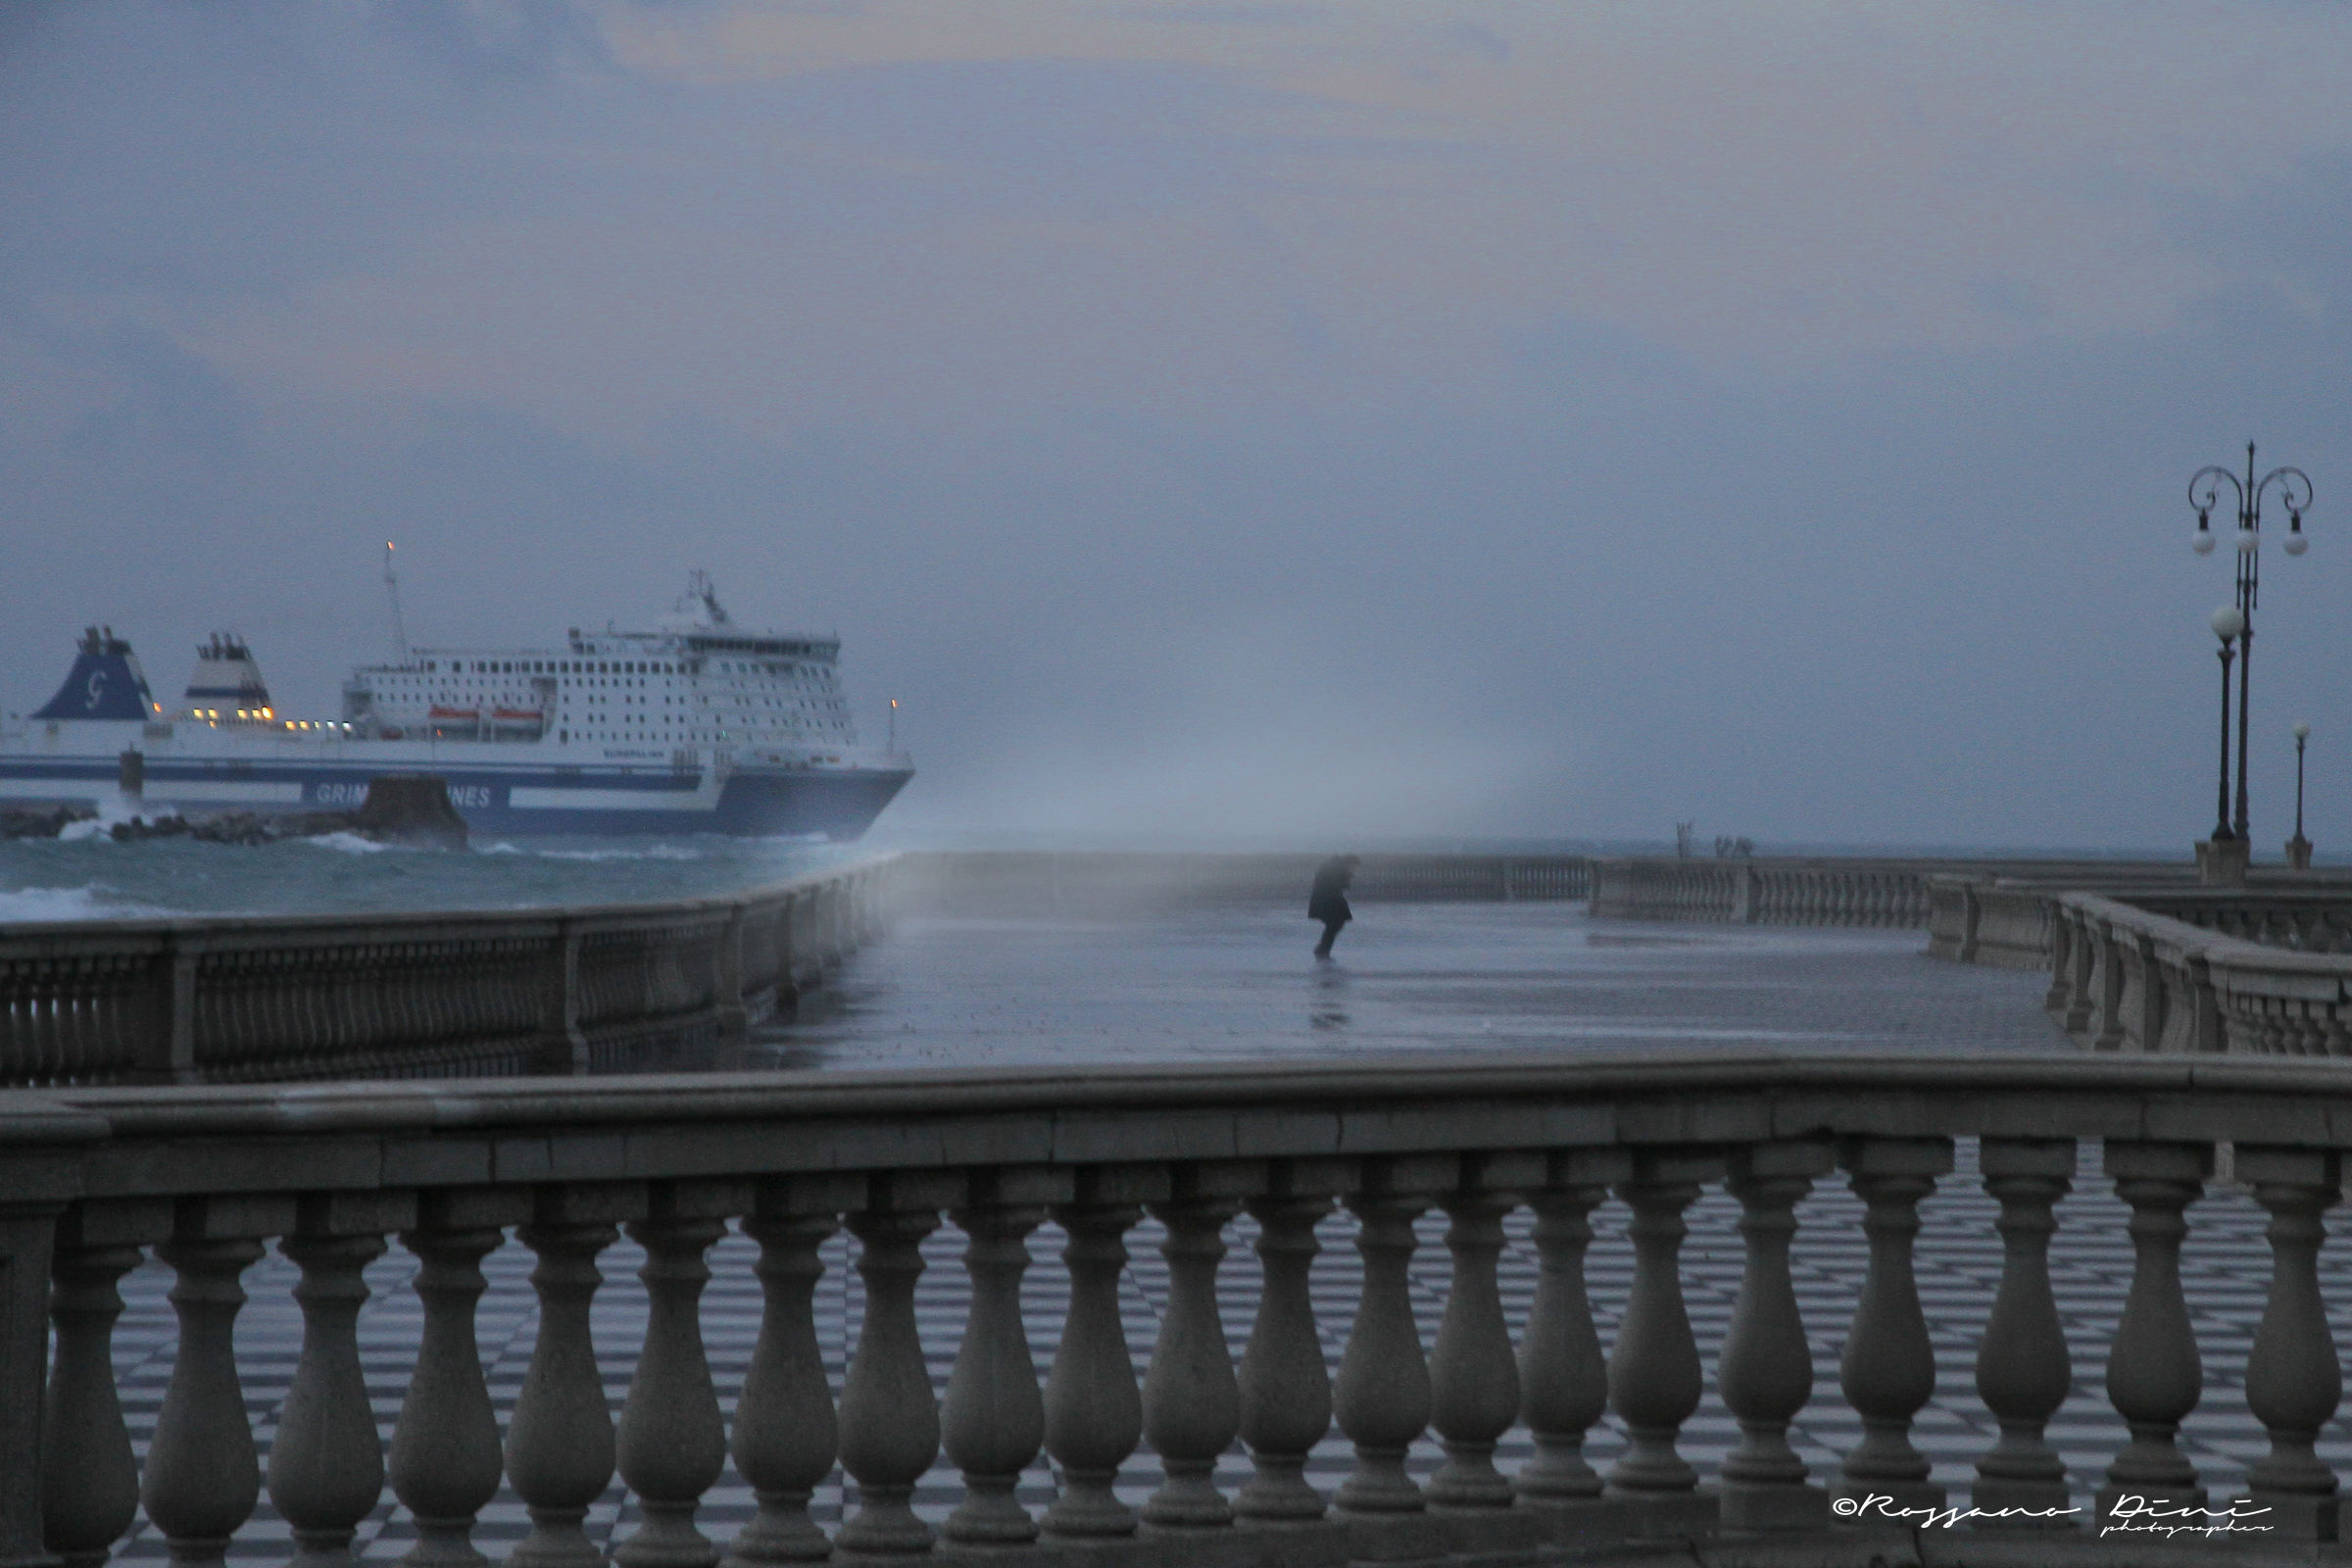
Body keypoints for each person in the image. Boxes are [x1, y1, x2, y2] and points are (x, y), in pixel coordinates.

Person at [1308, 854, 1358, 958]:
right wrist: (1347, 877)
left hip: (1328, 899)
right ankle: (1323, 949)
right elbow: (1338, 884)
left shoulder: (1334, 866)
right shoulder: (1337, 869)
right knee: (1335, 923)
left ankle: (1323, 948)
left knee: (1334, 924)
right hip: (1328, 900)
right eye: (1353, 866)